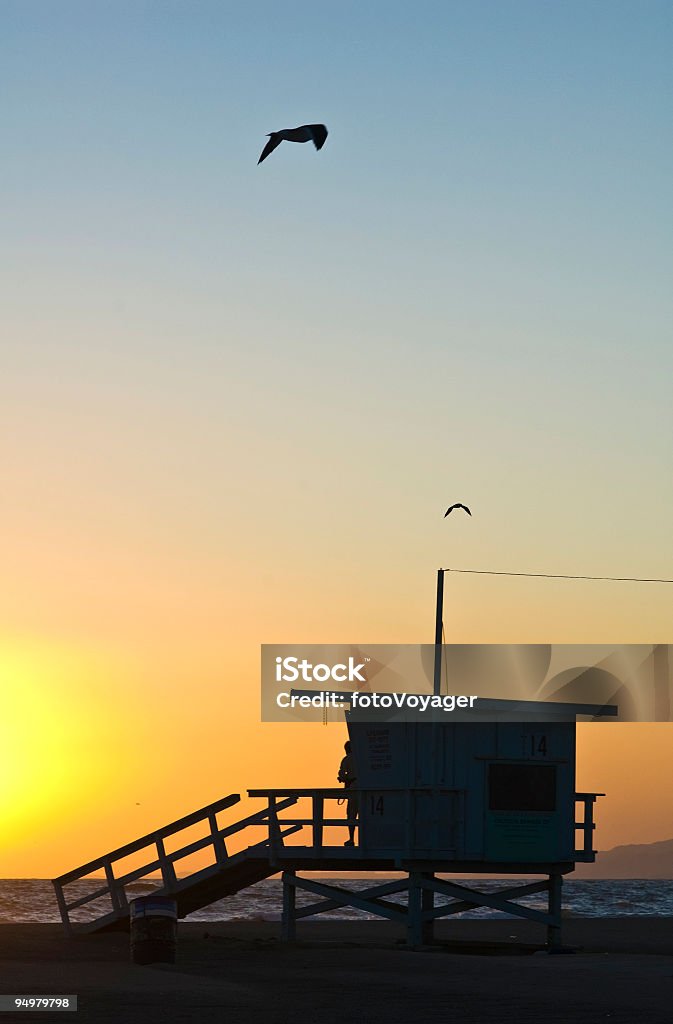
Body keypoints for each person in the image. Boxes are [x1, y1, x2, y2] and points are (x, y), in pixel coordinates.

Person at [337, 740, 358, 846]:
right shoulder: (361, 758)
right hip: (364, 789)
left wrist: (342, 779)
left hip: (353, 789)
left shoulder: (346, 759)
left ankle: (351, 839)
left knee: (351, 815)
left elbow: (342, 774)